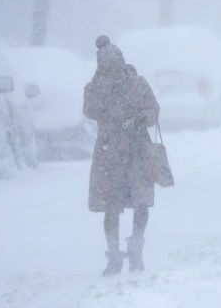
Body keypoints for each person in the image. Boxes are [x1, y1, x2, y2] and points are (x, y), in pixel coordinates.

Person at [83, 35, 160, 276]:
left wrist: (138, 120)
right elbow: (90, 111)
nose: (111, 73)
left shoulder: (138, 83)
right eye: (106, 68)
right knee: (110, 206)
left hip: (136, 151)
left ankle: (135, 251)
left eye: (113, 67)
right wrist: (97, 84)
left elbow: (153, 111)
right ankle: (114, 256)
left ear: (122, 63)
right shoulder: (96, 87)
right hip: (109, 153)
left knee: (140, 201)